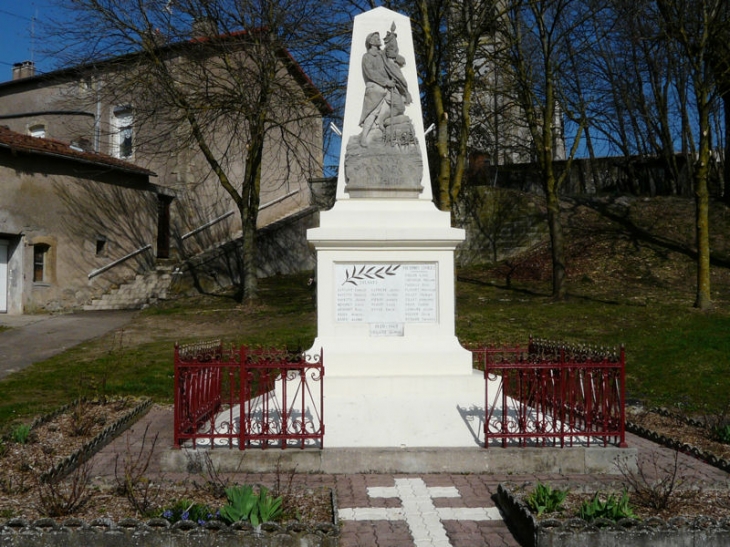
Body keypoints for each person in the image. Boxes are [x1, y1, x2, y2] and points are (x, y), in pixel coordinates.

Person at [359, 32, 395, 147]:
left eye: (378, 37)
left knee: (393, 106)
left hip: (387, 88)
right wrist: (386, 82)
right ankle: (364, 137)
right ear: (370, 42)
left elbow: (391, 58)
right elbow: (370, 73)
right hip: (376, 88)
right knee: (372, 111)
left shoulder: (382, 55)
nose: (379, 39)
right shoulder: (367, 56)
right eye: (375, 38)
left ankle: (381, 131)